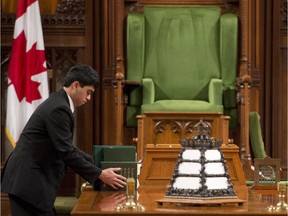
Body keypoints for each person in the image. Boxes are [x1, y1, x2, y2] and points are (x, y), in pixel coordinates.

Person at [1, 64, 127, 216]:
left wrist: (98, 164)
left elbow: (67, 148)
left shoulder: (60, 103)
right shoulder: (59, 109)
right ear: (75, 85)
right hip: (28, 182)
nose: (88, 98)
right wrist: (100, 173)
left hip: (31, 181)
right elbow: (66, 151)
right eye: (88, 92)